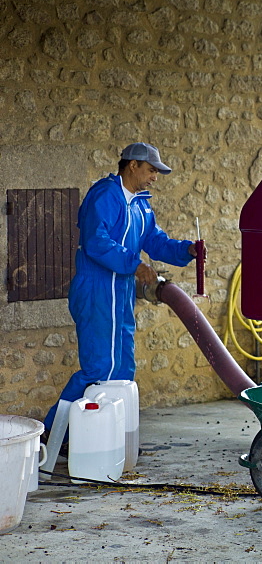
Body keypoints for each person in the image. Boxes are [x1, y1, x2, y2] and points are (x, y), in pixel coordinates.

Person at [43, 143, 196, 431]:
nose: (154, 177)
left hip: (120, 294)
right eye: (151, 170)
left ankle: (105, 436)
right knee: (99, 370)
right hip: (96, 291)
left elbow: (156, 242)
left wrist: (187, 251)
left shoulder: (141, 205)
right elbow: (96, 242)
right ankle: (52, 433)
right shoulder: (104, 195)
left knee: (122, 371)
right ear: (132, 165)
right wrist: (135, 265)